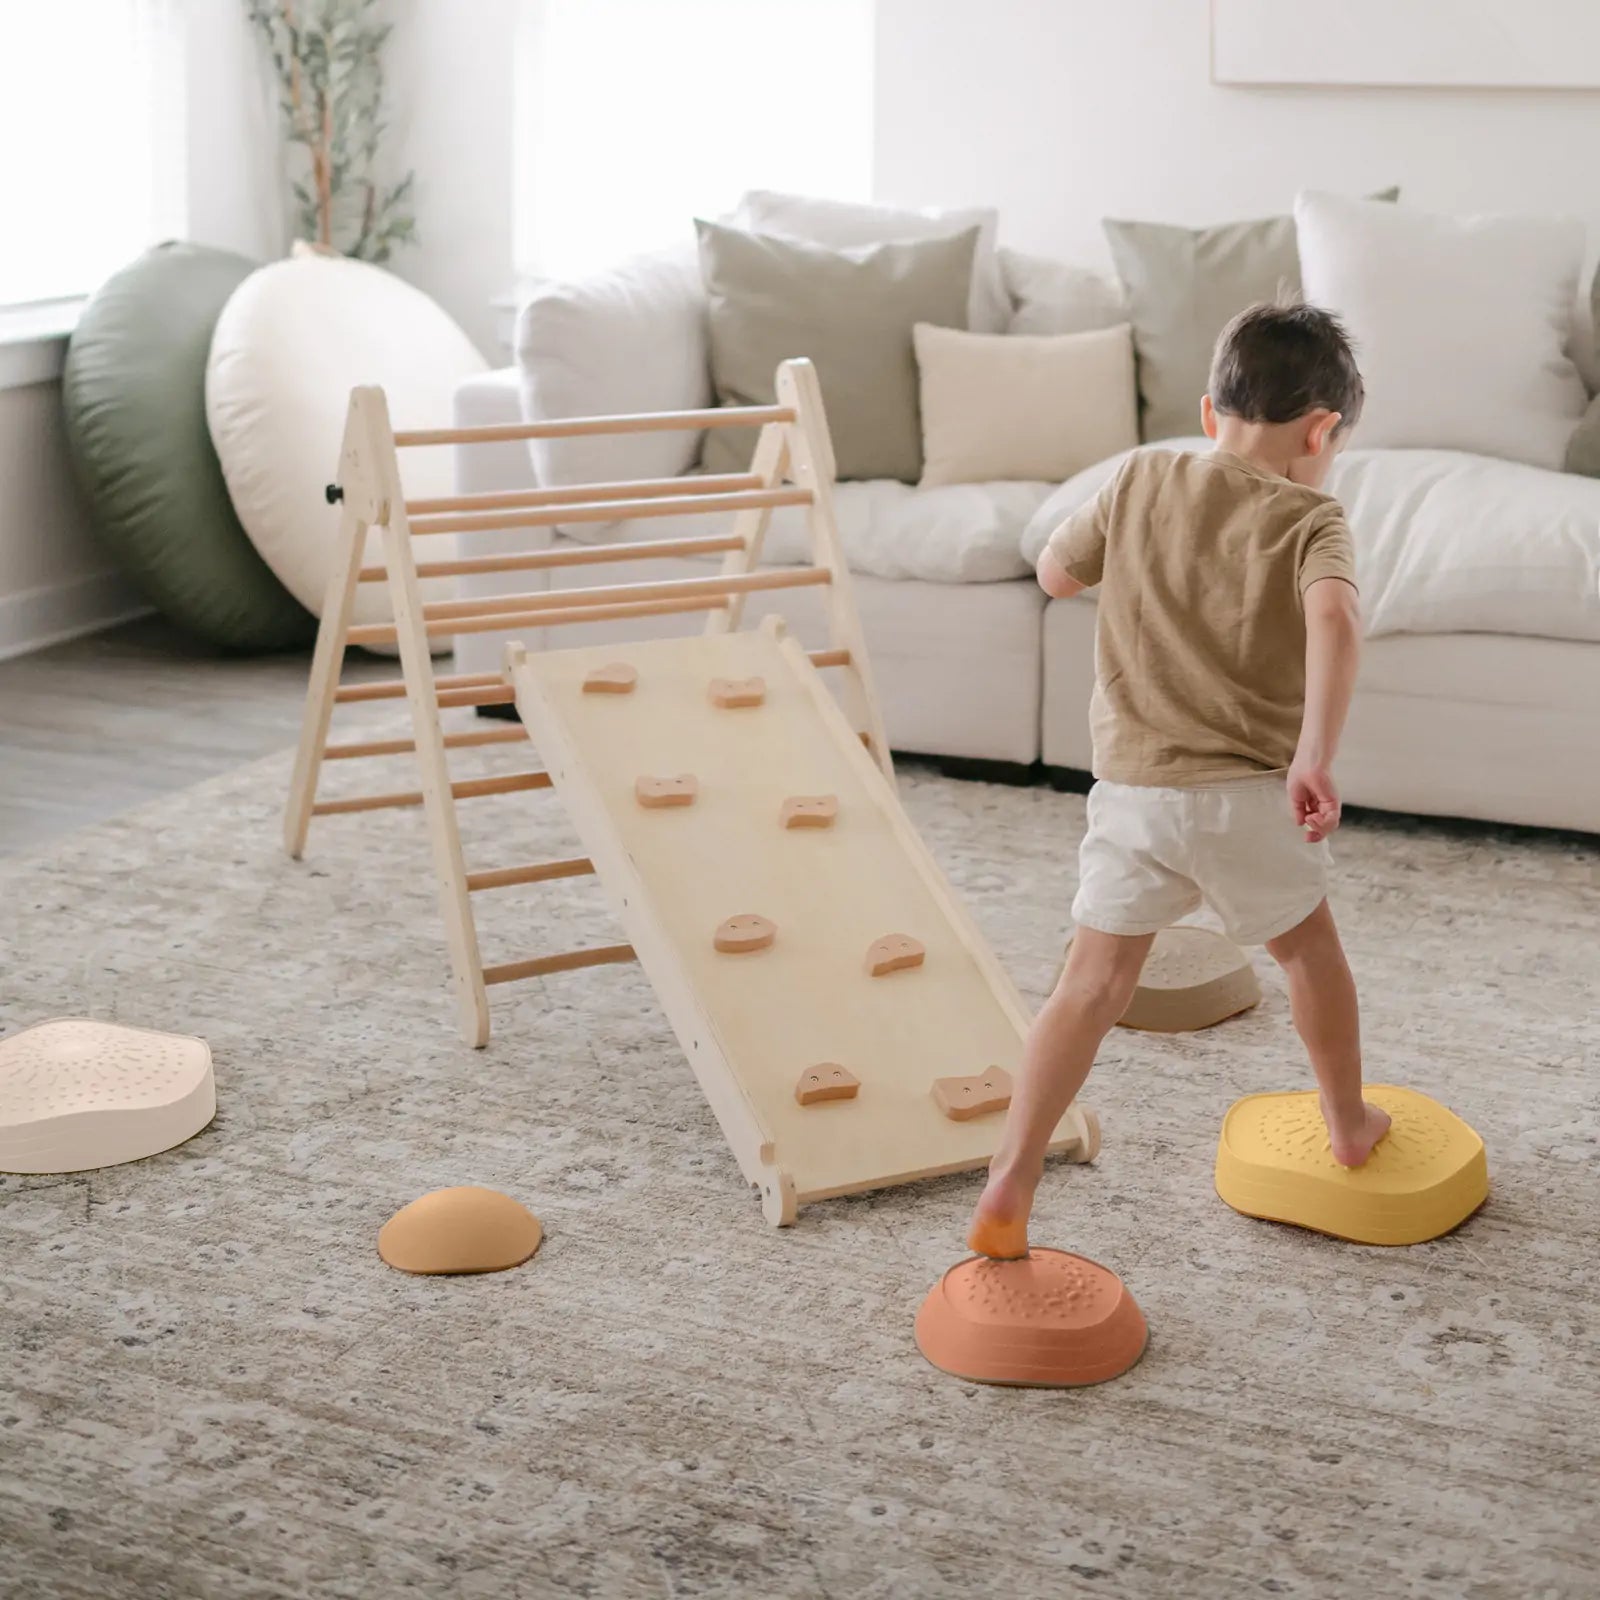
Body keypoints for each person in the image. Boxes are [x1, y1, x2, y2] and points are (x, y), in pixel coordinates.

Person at [968, 300, 1387, 1262]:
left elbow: (1053, 577)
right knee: (1310, 958)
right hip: (1247, 793)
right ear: (1321, 433)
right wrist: (1314, 755)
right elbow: (1336, 623)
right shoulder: (1314, 516)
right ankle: (1349, 1124)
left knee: (1090, 984)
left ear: (1211, 413)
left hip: (1132, 793)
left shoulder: (1139, 476)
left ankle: (1012, 1170)